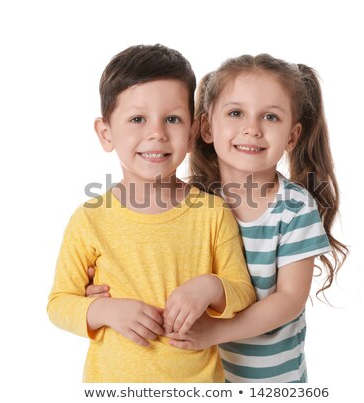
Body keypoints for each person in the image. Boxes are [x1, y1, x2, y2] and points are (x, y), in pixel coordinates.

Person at [87, 53, 348, 383]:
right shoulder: (190, 203)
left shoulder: (294, 208)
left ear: (292, 137)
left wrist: (217, 331)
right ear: (207, 127)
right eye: (236, 113)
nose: (251, 129)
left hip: (270, 381)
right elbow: (151, 260)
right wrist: (100, 292)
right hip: (198, 375)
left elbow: (289, 301)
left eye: (270, 117)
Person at [47, 44, 256, 383]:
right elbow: (59, 304)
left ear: (191, 133)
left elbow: (243, 292)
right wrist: (102, 310)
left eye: (172, 119)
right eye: (137, 119)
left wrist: (211, 287)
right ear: (106, 133)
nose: (156, 133)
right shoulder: (89, 219)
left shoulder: (212, 213)